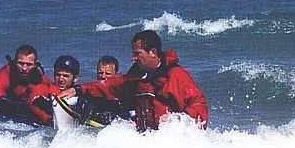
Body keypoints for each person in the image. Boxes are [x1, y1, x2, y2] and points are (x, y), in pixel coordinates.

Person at [59, 30, 208, 131]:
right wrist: (77, 89)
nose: (133, 58)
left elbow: (199, 105)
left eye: (138, 53)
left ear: (153, 52)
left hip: (169, 141)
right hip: (145, 139)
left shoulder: (176, 75)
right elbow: (108, 86)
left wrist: (176, 121)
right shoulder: (136, 76)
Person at [0, 44, 57, 125]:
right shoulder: (5, 74)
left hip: (26, 106)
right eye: (20, 63)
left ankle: (48, 120)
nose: (24, 68)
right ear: (14, 62)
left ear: (35, 64)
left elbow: (53, 89)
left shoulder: (38, 75)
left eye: (29, 64)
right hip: (6, 105)